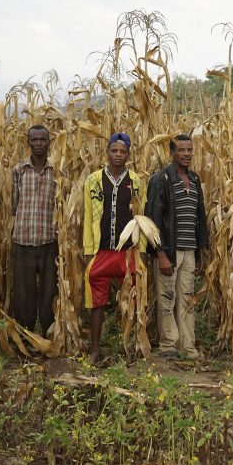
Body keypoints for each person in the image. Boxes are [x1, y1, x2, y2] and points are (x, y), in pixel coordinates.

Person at [83, 132, 147, 362]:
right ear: (107, 152)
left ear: (128, 154)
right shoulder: (93, 180)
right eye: (114, 150)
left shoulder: (136, 181)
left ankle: (131, 347)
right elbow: (89, 216)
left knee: (133, 300)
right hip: (101, 250)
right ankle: (95, 349)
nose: (118, 155)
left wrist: (143, 250)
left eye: (122, 151)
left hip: (128, 252)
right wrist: (88, 250)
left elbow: (141, 217)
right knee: (97, 302)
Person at [146, 134, 210, 360]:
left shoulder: (194, 179)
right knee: (167, 298)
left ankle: (187, 347)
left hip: (189, 251)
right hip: (169, 252)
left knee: (187, 299)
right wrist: (161, 254)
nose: (186, 154)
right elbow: (152, 220)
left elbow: (198, 217)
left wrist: (201, 249)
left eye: (190, 150)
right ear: (172, 153)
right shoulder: (161, 179)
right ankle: (169, 347)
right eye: (181, 150)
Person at [10, 125, 58, 337]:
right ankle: (25, 336)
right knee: (23, 293)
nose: (39, 144)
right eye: (34, 140)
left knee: (50, 293)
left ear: (49, 142)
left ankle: (50, 334)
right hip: (23, 240)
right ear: (28, 142)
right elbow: (13, 205)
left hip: (49, 240)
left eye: (43, 140)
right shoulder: (19, 170)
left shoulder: (57, 171)